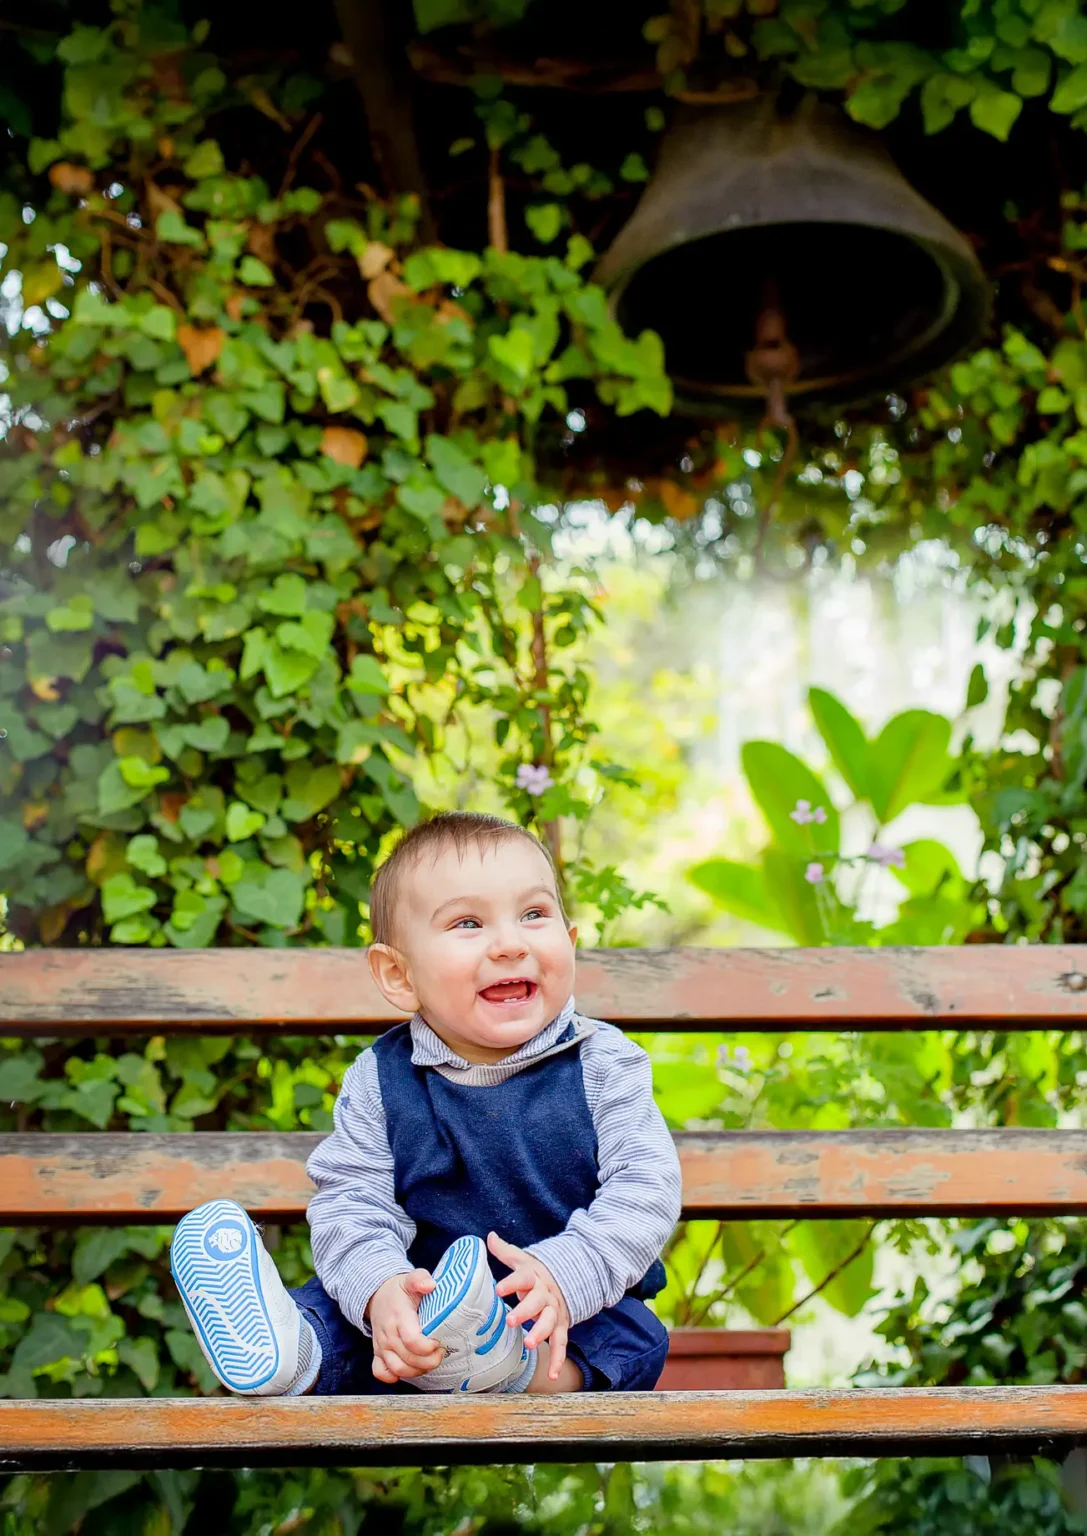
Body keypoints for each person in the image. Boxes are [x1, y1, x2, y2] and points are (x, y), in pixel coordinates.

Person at [169, 811, 682, 1397]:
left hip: (555, 1307)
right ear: (399, 974)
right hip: (422, 1316)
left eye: (534, 914)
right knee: (344, 1312)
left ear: (569, 941)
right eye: (469, 923)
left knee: (633, 1338)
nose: (511, 944)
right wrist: (381, 1288)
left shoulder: (603, 1063)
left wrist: (567, 1273)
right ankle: (295, 1354)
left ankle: (509, 1371)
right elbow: (353, 1203)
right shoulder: (381, 1080)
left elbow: (645, 1189)